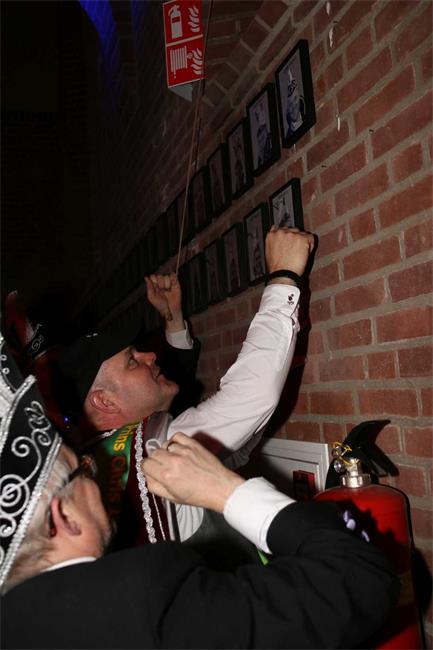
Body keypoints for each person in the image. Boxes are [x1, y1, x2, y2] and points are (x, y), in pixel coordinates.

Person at [0, 347, 399, 649]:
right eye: (82, 471)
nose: (95, 474)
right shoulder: (147, 605)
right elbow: (361, 581)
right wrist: (226, 490)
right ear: (63, 517)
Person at [54, 228, 314, 550]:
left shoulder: (104, 457)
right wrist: (283, 277)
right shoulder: (154, 450)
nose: (150, 356)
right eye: (132, 361)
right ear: (105, 401)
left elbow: (233, 448)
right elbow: (249, 396)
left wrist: (173, 317)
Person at [285, 68, 306, 139]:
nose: (293, 106)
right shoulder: (288, 136)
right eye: (290, 104)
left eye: (295, 100)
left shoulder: (306, 121)